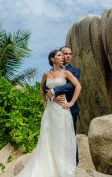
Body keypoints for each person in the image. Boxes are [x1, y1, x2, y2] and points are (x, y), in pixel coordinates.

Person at [16, 49, 81, 177]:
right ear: (52, 59)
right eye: (60, 55)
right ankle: (49, 166)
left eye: (64, 55)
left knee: (63, 137)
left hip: (62, 109)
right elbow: (42, 88)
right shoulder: (46, 74)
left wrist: (72, 102)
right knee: (49, 137)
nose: (63, 57)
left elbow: (78, 86)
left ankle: (63, 168)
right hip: (50, 110)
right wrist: (46, 101)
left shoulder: (67, 72)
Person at [44, 46, 81, 164]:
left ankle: (73, 163)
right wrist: (51, 97)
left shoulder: (75, 71)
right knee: (55, 134)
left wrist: (55, 91)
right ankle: (55, 162)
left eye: (70, 53)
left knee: (70, 135)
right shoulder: (50, 73)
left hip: (70, 107)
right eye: (65, 54)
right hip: (54, 107)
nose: (68, 56)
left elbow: (71, 85)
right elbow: (45, 87)